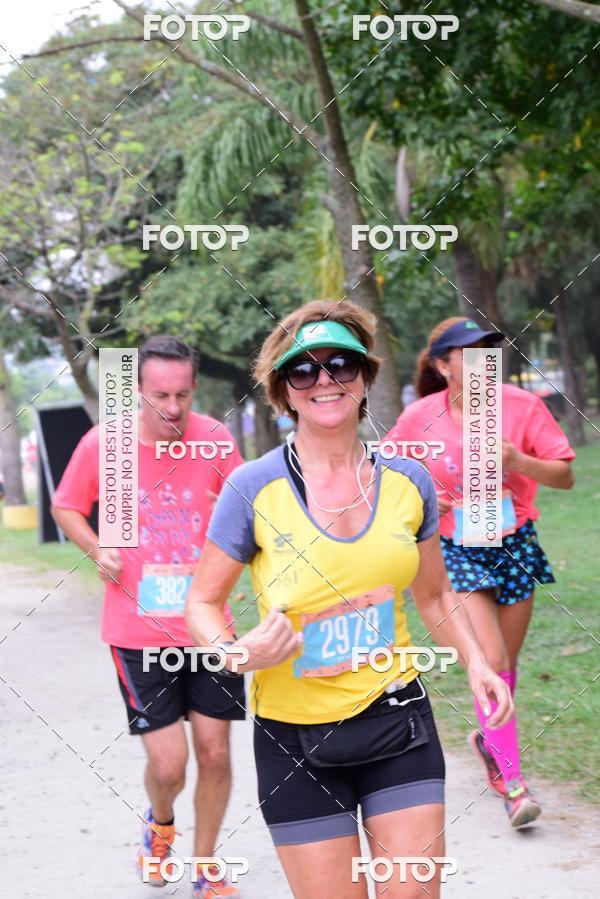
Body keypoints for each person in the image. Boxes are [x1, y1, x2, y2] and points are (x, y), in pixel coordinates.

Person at [184, 300, 512, 899]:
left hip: (397, 722)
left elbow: (436, 593)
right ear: (284, 390)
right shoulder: (252, 486)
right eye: (303, 371)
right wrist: (234, 653)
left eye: (341, 364)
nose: (325, 380)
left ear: (365, 376)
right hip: (295, 740)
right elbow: (202, 602)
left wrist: (477, 663)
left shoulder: (408, 482)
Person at [52, 336, 245, 898]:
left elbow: (246, 506)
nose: (174, 408)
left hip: (209, 627)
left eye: (184, 394)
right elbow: (66, 505)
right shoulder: (105, 444)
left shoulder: (214, 439)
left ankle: (205, 868)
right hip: (137, 633)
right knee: (170, 765)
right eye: (161, 395)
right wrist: (96, 547)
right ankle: (160, 823)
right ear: (138, 390)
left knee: (214, 753)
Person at [387, 317, 575, 828]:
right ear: (442, 365)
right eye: (467, 355)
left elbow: (564, 474)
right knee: (488, 659)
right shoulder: (418, 418)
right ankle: (515, 786)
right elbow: (391, 480)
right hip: (456, 548)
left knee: (505, 668)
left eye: (489, 351)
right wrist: (431, 500)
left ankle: (488, 743)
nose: (481, 363)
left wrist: (519, 461)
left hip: (516, 543)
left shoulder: (521, 406)